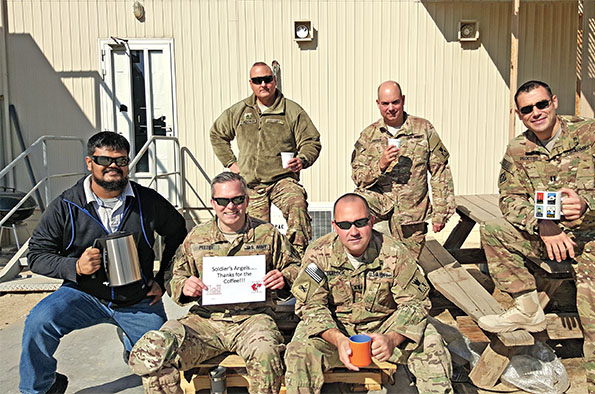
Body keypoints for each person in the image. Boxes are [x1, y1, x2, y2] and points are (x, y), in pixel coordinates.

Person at [477, 80, 595, 394]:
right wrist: (542, 223)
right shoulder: (518, 149)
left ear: (554, 102)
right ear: (519, 113)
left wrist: (588, 202)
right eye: (527, 109)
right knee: (494, 230)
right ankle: (527, 307)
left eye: (542, 104)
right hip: (554, 235)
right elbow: (510, 199)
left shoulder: (594, 134)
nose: (536, 113)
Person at [20, 131, 187, 394]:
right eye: (104, 160)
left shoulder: (147, 201)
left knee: (160, 359)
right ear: (89, 163)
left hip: (137, 298)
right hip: (84, 293)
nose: (113, 167)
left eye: (120, 161)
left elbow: (178, 234)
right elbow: (37, 255)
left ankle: (131, 341)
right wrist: (74, 267)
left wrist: (163, 278)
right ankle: (40, 388)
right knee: (39, 321)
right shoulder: (67, 205)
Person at [129, 172, 301, 394]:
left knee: (267, 353)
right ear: (213, 203)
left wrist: (283, 277)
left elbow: (298, 269)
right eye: (222, 200)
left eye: (237, 199)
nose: (231, 206)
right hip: (206, 322)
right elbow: (175, 276)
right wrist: (184, 287)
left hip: (253, 320)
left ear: (247, 200)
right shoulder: (197, 237)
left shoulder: (267, 234)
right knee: (156, 352)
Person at [284, 193, 453, 394]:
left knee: (431, 341)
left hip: (383, 327)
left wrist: (393, 338)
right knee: (299, 352)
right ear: (335, 226)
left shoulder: (395, 252)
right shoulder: (318, 254)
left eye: (360, 222)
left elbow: (416, 302)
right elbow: (311, 306)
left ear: (371, 221)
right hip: (335, 330)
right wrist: (337, 339)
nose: (353, 231)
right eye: (345, 225)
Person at [210, 61, 321, 256]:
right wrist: (230, 163)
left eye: (267, 79)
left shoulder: (292, 111)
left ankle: (296, 256)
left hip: (282, 179)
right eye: (257, 80)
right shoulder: (240, 111)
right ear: (251, 83)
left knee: (297, 204)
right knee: (253, 231)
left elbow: (312, 141)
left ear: (274, 81)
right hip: (251, 184)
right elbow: (217, 134)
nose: (263, 84)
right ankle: (256, 266)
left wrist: (302, 159)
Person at [351, 81, 455, 257]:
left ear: (403, 100)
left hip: (411, 218)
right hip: (381, 216)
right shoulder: (369, 136)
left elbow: (440, 171)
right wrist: (381, 164)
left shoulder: (423, 129)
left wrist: (441, 212)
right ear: (378, 104)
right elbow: (358, 178)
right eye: (385, 103)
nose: (390, 108)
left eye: (395, 102)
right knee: (380, 266)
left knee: (408, 267)